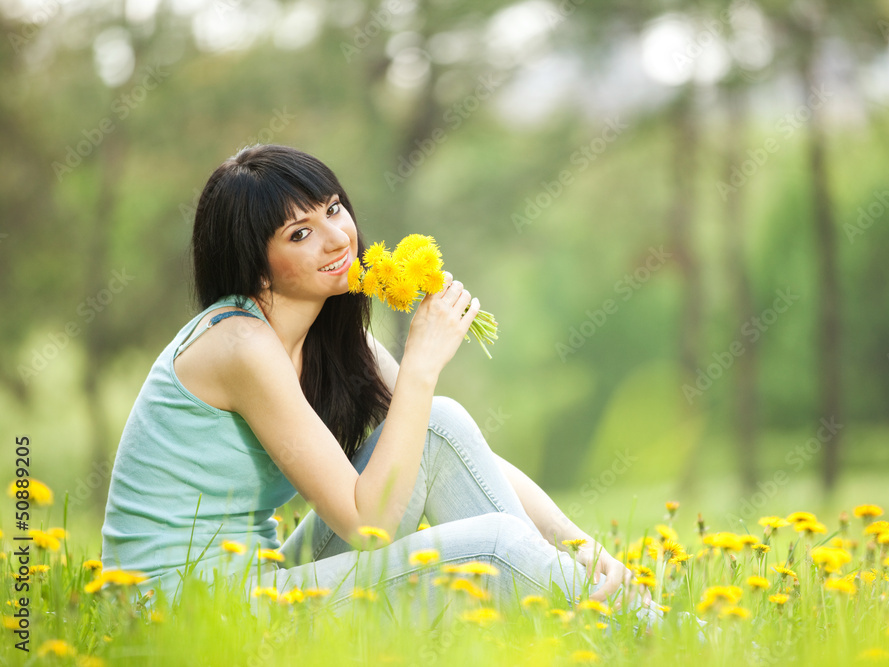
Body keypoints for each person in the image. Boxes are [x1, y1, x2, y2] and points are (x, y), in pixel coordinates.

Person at [99, 144, 652, 621]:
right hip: (189, 612)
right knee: (498, 547)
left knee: (441, 421)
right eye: (301, 233)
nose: (338, 238)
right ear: (257, 266)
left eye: (334, 209)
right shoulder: (239, 345)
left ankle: (609, 605)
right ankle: (647, 630)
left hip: (258, 579)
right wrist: (421, 367)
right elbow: (369, 525)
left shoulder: (330, 338)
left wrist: (577, 544)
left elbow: (452, 444)